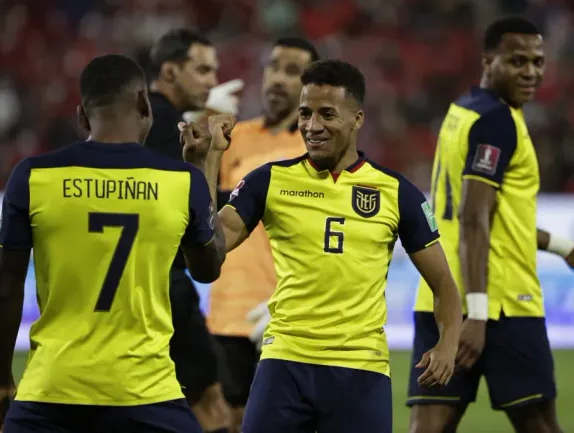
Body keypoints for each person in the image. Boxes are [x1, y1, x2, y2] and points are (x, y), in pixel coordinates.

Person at [180, 59, 463, 433]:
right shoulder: (269, 181)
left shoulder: (396, 192)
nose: (312, 126)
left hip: (360, 367)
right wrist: (209, 160)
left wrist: (448, 344)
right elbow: (207, 262)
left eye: (327, 114)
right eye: (305, 113)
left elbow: (444, 284)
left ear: (357, 119)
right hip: (285, 360)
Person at [0, 54, 229, 433]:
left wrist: (0, 380)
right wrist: (204, 166)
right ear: (145, 104)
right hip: (147, 394)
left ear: (82, 116)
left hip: (51, 393)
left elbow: (4, 289)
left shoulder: (32, 177)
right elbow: (208, 268)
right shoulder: (182, 182)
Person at [407, 17, 573, 433]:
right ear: (487, 60)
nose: (531, 72)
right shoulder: (498, 121)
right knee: (540, 424)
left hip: (439, 298)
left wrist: (561, 245)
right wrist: (477, 314)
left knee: (427, 427)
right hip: (501, 302)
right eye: (517, 61)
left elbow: (494, 218)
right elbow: (474, 218)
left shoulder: (461, 111)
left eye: (537, 62)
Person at [206, 36, 319, 432]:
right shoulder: (233, 137)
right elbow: (198, 209)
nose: (278, 79)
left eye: (293, 72)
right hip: (227, 315)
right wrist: (197, 122)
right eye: (274, 66)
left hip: (288, 318)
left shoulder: (317, 151)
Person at [144, 28, 241, 433]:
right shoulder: (165, 125)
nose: (211, 81)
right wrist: (247, 195)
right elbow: (192, 205)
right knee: (210, 404)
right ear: (169, 70)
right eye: (201, 69)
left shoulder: (136, 120)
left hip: (134, 286)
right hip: (167, 285)